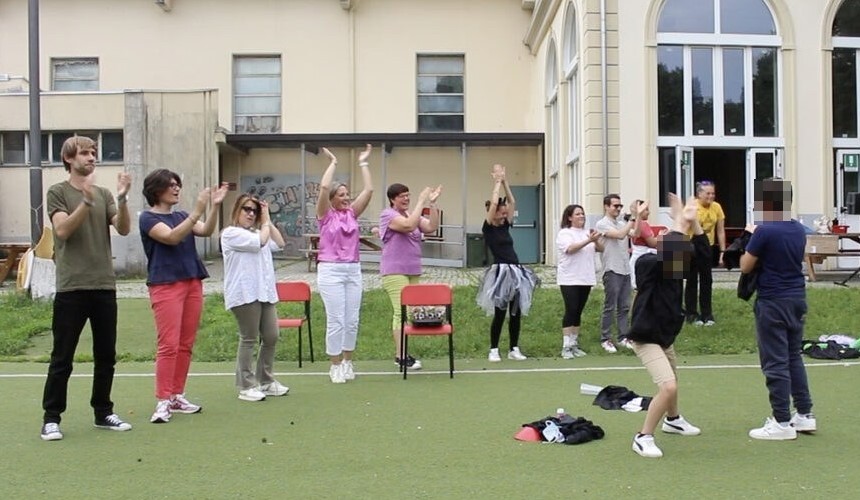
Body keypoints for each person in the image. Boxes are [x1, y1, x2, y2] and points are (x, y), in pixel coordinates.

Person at [40, 136, 133, 441]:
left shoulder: (103, 193)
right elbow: (63, 231)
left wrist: (121, 198)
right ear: (69, 158)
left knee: (106, 355)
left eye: (93, 152)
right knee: (62, 357)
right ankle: (52, 418)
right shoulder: (58, 192)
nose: (91, 157)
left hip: (104, 285)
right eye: (84, 153)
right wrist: (86, 202)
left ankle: (103, 412)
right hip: (71, 288)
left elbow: (122, 228)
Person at [140, 169, 228, 423]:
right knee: (168, 344)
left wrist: (214, 207)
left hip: (191, 282)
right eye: (171, 185)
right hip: (165, 284)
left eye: (178, 184)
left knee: (185, 343)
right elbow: (171, 237)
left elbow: (207, 230)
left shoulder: (181, 215)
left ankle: (177, 395)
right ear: (157, 190)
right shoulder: (148, 218)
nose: (177, 189)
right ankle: (162, 400)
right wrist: (198, 210)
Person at [629, 193, 702, 458]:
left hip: (664, 335)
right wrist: (679, 222)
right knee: (668, 386)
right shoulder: (646, 264)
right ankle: (643, 436)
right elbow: (672, 250)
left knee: (673, 380)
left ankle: (673, 419)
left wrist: (689, 222)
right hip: (645, 336)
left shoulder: (676, 269)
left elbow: (698, 249)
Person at [741, 178, 815, 440]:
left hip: (773, 300)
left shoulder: (764, 231)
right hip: (796, 297)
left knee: (775, 362)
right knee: (793, 356)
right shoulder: (798, 229)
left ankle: (781, 421)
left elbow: (745, 266)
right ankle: (804, 415)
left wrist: (750, 236)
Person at [221, 195, 289, 402]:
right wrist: (265, 221)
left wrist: (266, 218)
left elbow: (279, 242)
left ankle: (266, 380)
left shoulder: (261, 231)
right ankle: (246, 385)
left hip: (264, 292)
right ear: (237, 211)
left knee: (271, 336)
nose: (251, 214)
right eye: (246, 209)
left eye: (254, 211)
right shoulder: (231, 234)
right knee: (249, 338)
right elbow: (260, 242)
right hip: (244, 294)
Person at [316, 144, 373, 384]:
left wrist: (363, 162)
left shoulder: (352, 213)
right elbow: (324, 186)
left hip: (352, 269)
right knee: (336, 318)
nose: (346, 198)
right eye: (341, 195)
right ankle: (335, 365)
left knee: (352, 319)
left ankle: (348, 361)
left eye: (348, 194)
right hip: (330, 270)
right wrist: (333, 163)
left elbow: (369, 189)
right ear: (331, 200)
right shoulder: (324, 214)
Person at [477, 164, 539, 362]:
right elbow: (495, 203)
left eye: (505, 213)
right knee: (500, 312)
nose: (505, 215)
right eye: (501, 212)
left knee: (516, 312)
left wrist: (504, 181)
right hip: (501, 272)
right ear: (493, 212)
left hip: (516, 270)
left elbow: (512, 201)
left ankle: (514, 348)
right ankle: (494, 348)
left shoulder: (505, 226)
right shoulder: (488, 228)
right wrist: (496, 183)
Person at [379, 182, 442, 371]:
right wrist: (421, 201)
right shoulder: (388, 215)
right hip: (394, 271)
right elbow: (407, 226)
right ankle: (400, 356)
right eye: (402, 196)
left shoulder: (411, 215)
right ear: (392, 199)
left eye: (408, 195)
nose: (406, 199)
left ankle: (404, 353)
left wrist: (432, 204)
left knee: (411, 312)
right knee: (401, 311)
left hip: (412, 270)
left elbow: (431, 227)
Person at [556, 204, 604, 359]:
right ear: (570, 217)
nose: (581, 216)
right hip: (569, 278)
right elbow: (570, 249)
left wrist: (594, 240)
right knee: (571, 309)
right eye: (578, 214)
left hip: (585, 277)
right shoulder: (565, 233)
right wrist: (588, 240)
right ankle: (566, 346)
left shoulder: (586, 233)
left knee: (578, 311)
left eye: (582, 214)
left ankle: (574, 343)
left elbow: (601, 249)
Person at [595, 194, 637, 352]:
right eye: (615, 206)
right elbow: (620, 236)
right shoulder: (602, 224)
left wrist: (637, 216)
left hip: (625, 268)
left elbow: (636, 233)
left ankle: (623, 336)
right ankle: (606, 338)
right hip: (611, 269)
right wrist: (632, 219)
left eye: (620, 206)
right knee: (610, 306)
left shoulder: (622, 223)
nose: (618, 208)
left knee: (624, 306)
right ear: (606, 206)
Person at [684, 181, 726, 326]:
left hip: (708, 245)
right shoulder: (692, 206)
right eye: (707, 193)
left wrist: (722, 251)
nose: (711, 196)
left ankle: (707, 314)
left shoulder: (717, 207)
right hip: (692, 244)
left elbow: (720, 230)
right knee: (691, 280)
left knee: (706, 280)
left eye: (713, 193)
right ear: (699, 194)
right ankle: (691, 313)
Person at [628, 200, 660, 290]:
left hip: (636, 258)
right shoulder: (643, 225)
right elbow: (653, 243)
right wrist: (662, 236)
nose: (649, 212)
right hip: (644, 259)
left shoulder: (631, 223)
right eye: (646, 210)